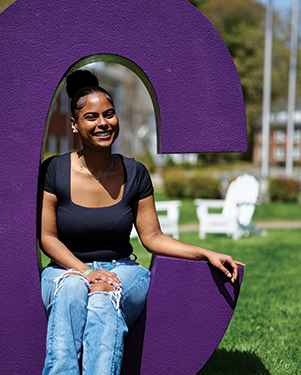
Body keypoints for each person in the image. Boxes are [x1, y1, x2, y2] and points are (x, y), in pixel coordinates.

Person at [38, 69, 244, 375]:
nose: (103, 123)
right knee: (70, 291)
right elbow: (48, 237)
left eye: (109, 114)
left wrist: (205, 253)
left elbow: (153, 238)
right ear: (74, 124)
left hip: (122, 269)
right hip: (65, 270)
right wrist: (86, 272)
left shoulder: (135, 173)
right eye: (92, 117)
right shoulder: (54, 170)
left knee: (105, 299)